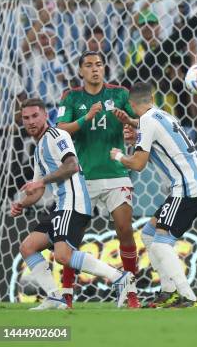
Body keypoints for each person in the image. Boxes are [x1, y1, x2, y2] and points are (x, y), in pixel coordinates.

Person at [14, 98, 134, 310]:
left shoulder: (57, 135)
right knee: (28, 247)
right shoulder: (38, 148)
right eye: (26, 118)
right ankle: (54, 297)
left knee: (63, 256)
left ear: (44, 115)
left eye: (35, 116)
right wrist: (23, 204)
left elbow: (71, 165)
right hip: (61, 205)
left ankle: (120, 278)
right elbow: (38, 189)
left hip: (73, 202)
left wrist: (41, 181)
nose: (31, 121)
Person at [110, 81, 197, 308]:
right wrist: (132, 125)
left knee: (160, 243)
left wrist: (118, 155)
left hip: (186, 189)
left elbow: (137, 164)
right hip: (195, 186)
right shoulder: (162, 115)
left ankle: (187, 296)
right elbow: (147, 130)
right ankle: (168, 291)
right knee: (149, 233)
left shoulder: (146, 121)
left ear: (131, 104)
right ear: (151, 98)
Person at [57, 51, 140, 308]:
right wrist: (86, 118)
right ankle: (67, 294)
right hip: (83, 177)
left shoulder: (120, 94)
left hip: (115, 174)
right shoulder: (71, 97)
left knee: (125, 231)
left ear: (105, 69)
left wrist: (129, 121)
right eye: (89, 65)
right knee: (73, 238)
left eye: (99, 65)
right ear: (81, 71)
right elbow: (60, 129)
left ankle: (131, 292)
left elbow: (143, 121)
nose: (95, 69)